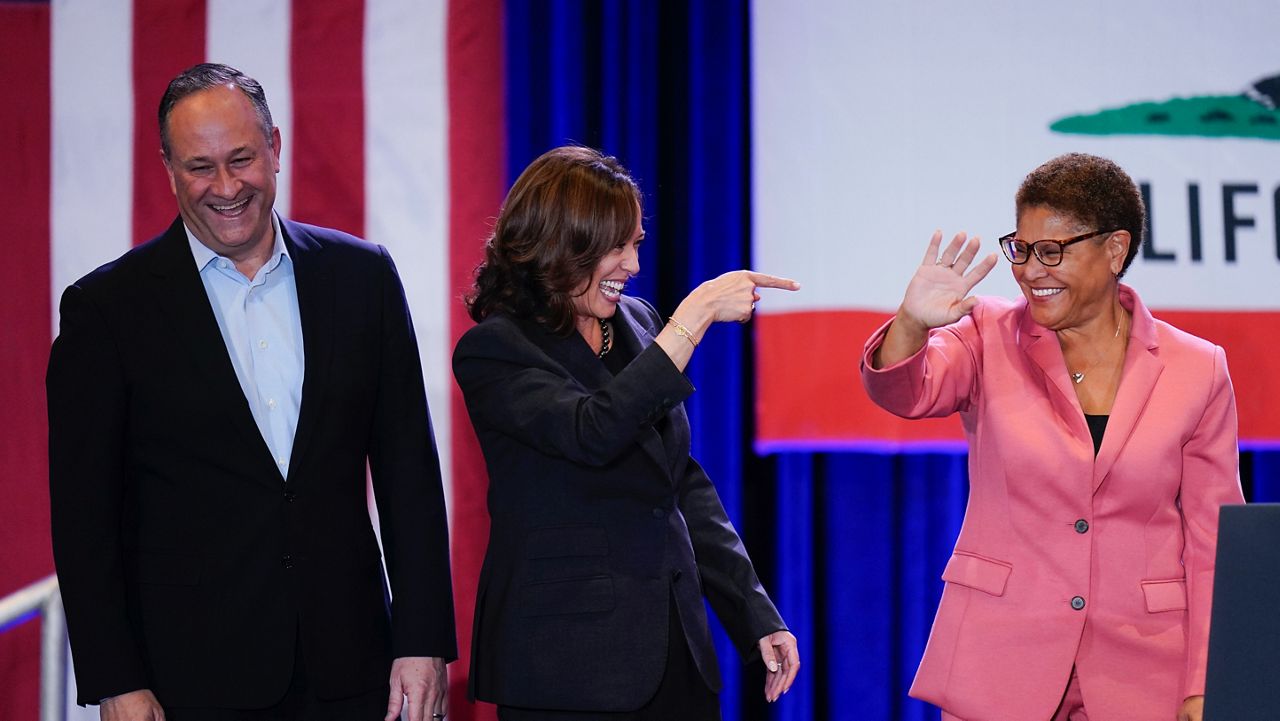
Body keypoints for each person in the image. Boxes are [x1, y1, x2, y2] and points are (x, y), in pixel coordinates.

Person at [47, 63, 456, 721]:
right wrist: (115, 678)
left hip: (354, 669)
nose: (226, 186)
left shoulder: (363, 277)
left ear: (276, 146)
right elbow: (84, 517)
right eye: (200, 166)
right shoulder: (107, 308)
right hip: (191, 678)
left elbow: (409, 471)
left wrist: (423, 638)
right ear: (168, 167)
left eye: (241, 158)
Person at [861, 153, 1244, 721]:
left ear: (1115, 250)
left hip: (1144, 670)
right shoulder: (986, 333)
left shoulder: (1198, 368)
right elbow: (907, 392)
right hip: (999, 662)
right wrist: (912, 323)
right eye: (1022, 249)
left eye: (1052, 252)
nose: (1030, 270)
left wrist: (1207, 679)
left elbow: (1214, 543)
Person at [452, 146, 801, 720]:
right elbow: (594, 431)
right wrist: (694, 318)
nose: (633, 266)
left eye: (635, 243)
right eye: (616, 247)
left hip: (674, 658)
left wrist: (754, 613)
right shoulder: (496, 350)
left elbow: (679, 483)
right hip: (566, 670)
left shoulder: (638, 322)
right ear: (563, 245)